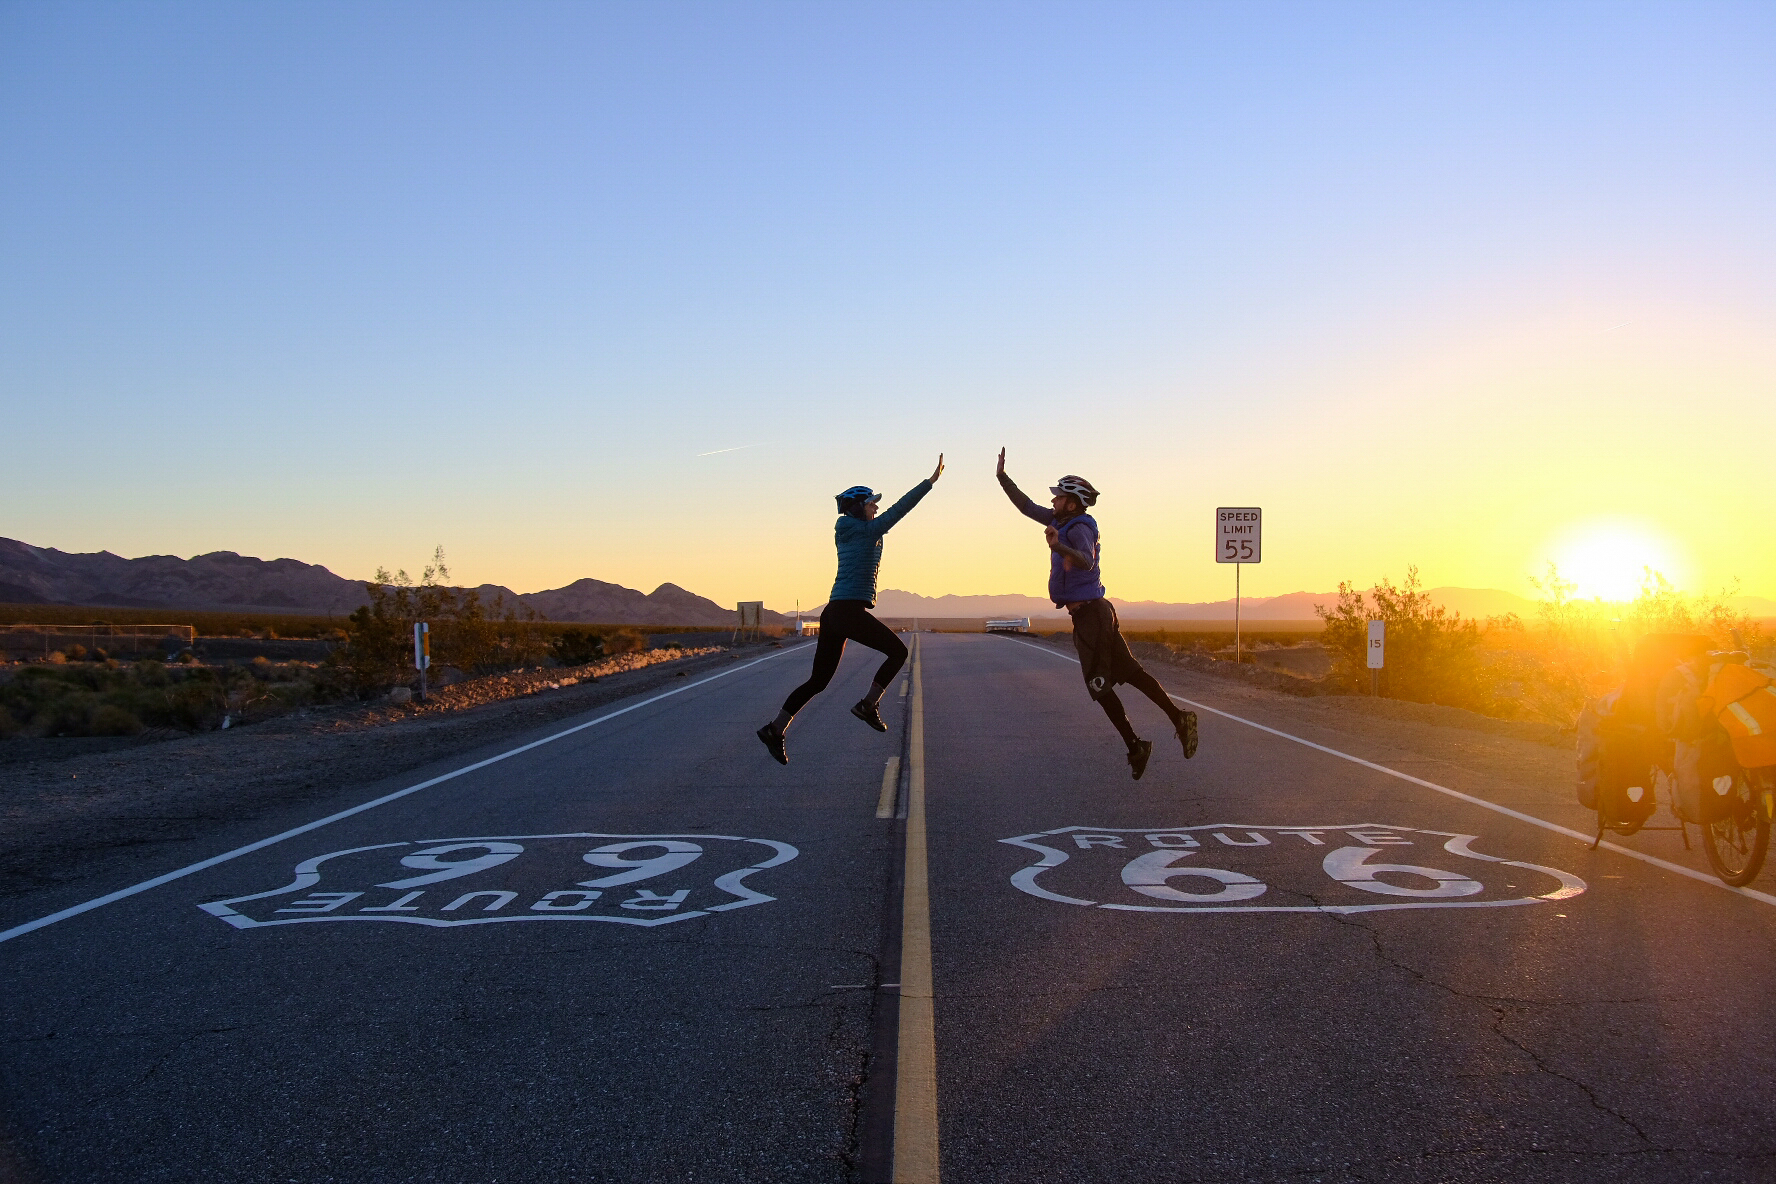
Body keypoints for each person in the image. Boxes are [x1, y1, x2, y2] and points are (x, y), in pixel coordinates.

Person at [996, 447, 1197, 779]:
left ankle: (1136, 746)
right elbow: (1026, 506)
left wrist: (1058, 547)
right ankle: (1177, 719)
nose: (1053, 501)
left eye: (1059, 497)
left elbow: (1086, 559)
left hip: (1092, 616)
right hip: (1094, 615)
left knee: (1100, 685)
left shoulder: (1078, 528)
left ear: (1072, 503)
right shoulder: (1062, 520)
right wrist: (1003, 477)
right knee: (1130, 673)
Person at [758, 454, 945, 764]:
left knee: (818, 682)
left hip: (834, 613)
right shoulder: (862, 530)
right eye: (872, 503)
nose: (876, 507)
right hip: (846, 612)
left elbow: (883, 522)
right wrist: (929, 483)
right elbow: (900, 510)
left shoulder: (853, 531)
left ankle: (774, 729)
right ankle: (868, 705)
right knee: (899, 653)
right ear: (858, 507)